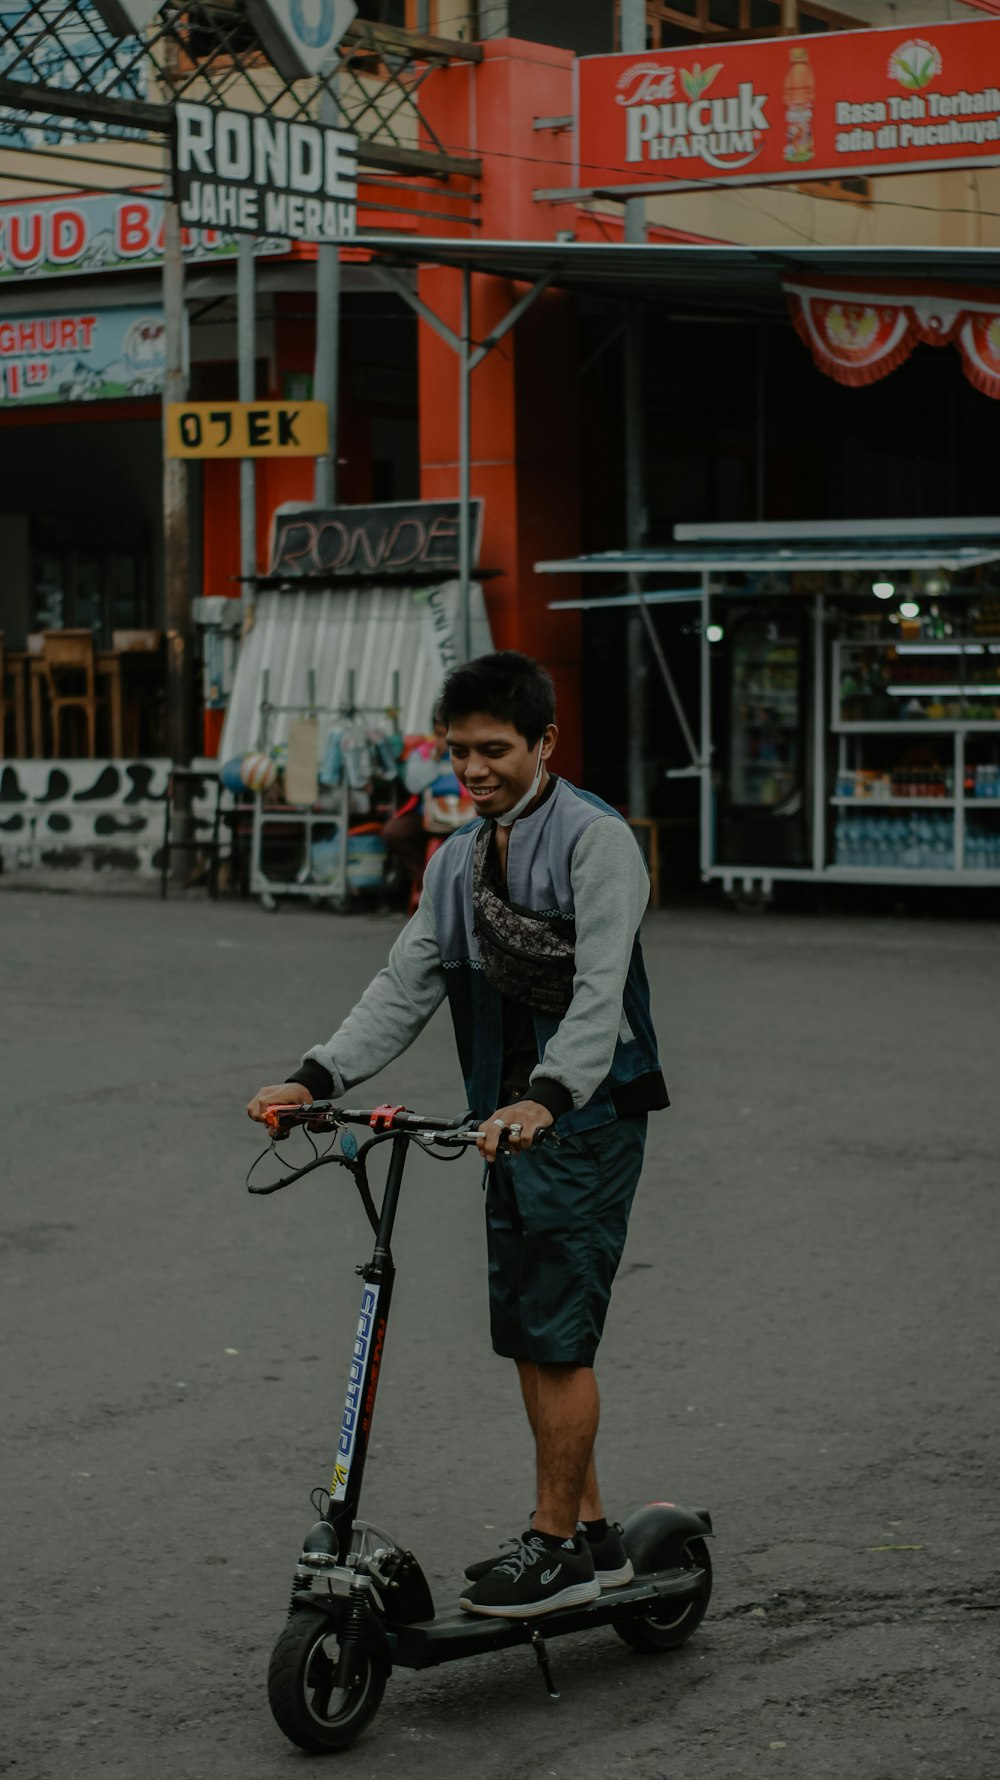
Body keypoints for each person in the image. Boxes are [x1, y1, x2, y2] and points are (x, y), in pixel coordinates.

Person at [248, 650, 668, 1621]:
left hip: (584, 1115)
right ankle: (594, 1539)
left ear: (545, 743)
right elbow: (403, 988)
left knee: (557, 1339)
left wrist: (548, 1095)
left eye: (495, 750)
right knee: (532, 1334)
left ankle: (556, 1546)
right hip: (505, 1125)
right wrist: (314, 1079)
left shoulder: (594, 842)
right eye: (458, 752)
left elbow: (601, 989)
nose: (473, 770)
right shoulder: (455, 860)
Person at [381, 707, 466, 898]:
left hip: (464, 816)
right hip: (427, 815)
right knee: (394, 832)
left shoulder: (468, 752)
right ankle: (425, 878)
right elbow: (413, 785)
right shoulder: (422, 753)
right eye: (438, 734)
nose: (443, 740)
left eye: (446, 734)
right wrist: (435, 758)